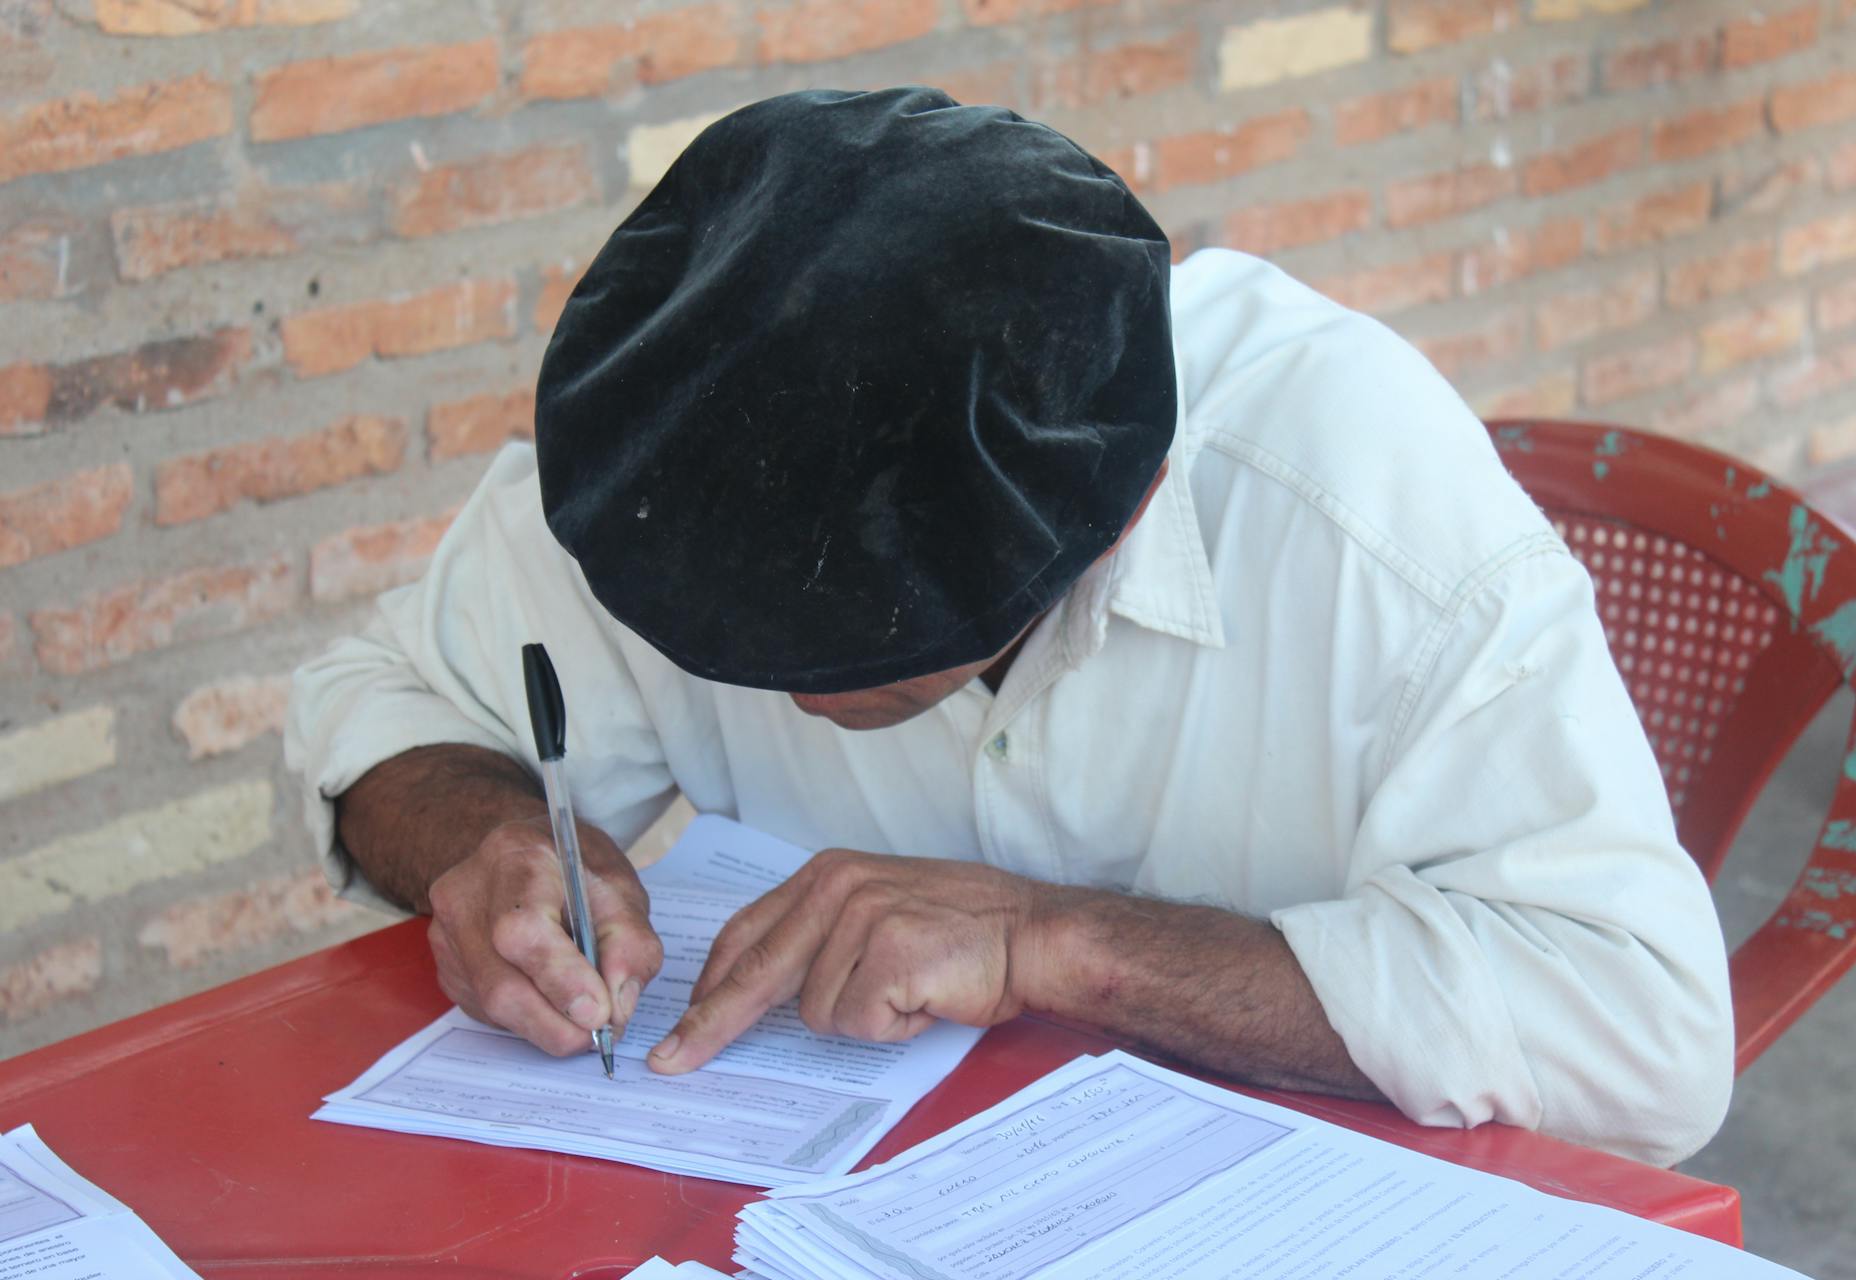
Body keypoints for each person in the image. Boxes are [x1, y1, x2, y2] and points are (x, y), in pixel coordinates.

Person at [285, 87, 1734, 1167]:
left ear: (1117, 510)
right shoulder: (681, 437)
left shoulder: (1354, 507)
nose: (767, 682)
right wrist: (481, 841)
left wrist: (1059, 944)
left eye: (845, 649)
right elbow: (388, 710)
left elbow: (1647, 1035)